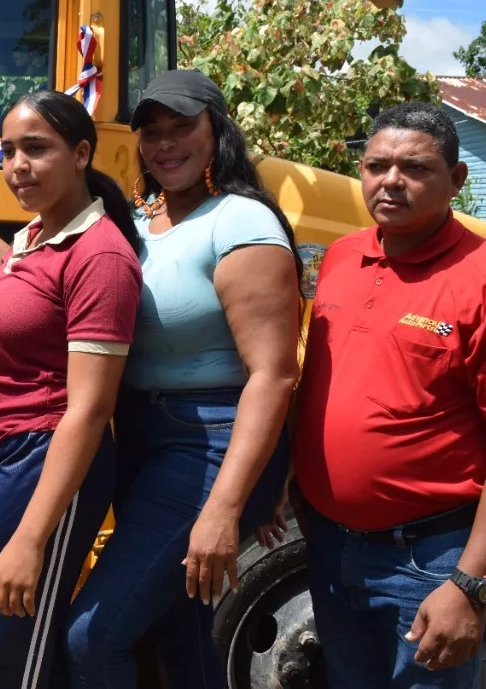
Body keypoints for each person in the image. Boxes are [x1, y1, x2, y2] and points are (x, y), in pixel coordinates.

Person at [65, 69, 303, 687]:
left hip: (209, 444)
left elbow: (274, 375)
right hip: (144, 438)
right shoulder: (144, 222)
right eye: (152, 133)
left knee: (93, 638)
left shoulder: (241, 223)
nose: (165, 144)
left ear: (216, 132)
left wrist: (228, 504)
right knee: (181, 632)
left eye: (182, 128)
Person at [292, 102, 486, 688]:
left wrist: (471, 584)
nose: (391, 181)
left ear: (456, 180)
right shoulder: (342, 258)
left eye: (416, 168)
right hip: (331, 546)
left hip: (430, 560)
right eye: (376, 165)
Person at [0, 89, 143, 688]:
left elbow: (89, 410)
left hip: (42, 459)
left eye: (36, 150)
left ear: (82, 154)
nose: (17, 167)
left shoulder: (101, 258)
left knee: (2, 660)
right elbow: (14, 314)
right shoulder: (37, 238)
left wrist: (31, 538)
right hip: (1, 454)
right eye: (8, 151)